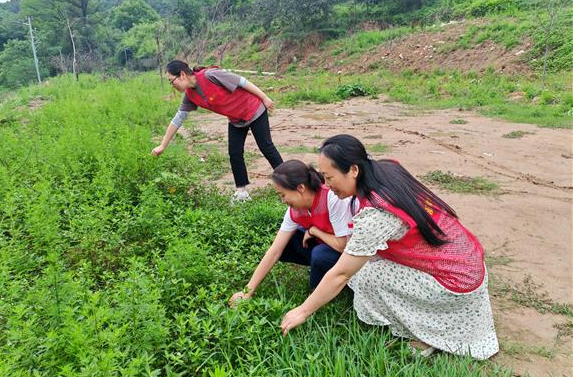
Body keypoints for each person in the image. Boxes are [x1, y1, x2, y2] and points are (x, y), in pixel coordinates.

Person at [280, 134, 499, 360]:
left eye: (329, 177)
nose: (326, 185)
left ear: (353, 170)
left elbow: (341, 273)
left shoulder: (376, 213)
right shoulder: (385, 169)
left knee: (362, 275)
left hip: (454, 282)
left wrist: (302, 311)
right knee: (364, 263)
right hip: (466, 262)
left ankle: (426, 332)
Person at [152, 60, 283, 202]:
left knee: (266, 147)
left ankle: (290, 182)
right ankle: (242, 194)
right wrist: (162, 145)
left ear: (182, 74)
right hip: (236, 119)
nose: (173, 85)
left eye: (172, 81)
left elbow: (242, 81)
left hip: (254, 109)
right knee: (234, 153)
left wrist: (264, 97)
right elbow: (178, 119)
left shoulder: (210, 75)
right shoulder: (190, 96)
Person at [230, 160, 354, 306]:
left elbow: (342, 245)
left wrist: (314, 231)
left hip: (349, 253)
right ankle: (322, 271)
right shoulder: (294, 210)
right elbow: (275, 250)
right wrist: (247, 291)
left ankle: (323, 289)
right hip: (328, 244)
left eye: (283, 195)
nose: (282, 201)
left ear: (301, 188)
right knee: (287, 242)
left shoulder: (331, 198)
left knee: (321, 254)